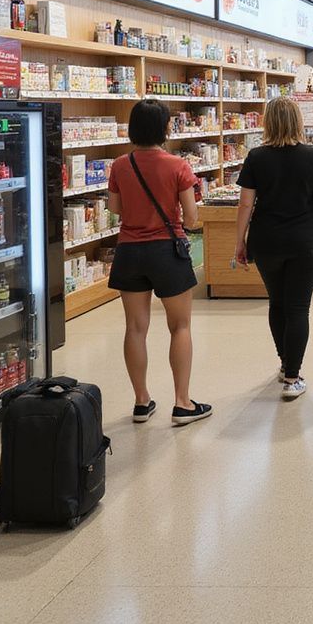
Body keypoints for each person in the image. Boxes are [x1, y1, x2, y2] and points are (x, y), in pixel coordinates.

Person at [106, 99, 212, 426]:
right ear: (166, 128)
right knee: (179, 326)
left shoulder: (120, 165)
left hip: (129, 251)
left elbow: (115, 208)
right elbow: (192, 218)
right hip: (167, 251)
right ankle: (182, 403)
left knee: (135, 328)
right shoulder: (178, 166)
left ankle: (141, 401)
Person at [233, 96, 313, 400]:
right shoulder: (312, 156)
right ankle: (293, 376)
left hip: (266, 241)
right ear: (297, 121)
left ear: (267, 122)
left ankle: (284, 363)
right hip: (304, 240)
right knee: (298, 308)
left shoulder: (256, 157)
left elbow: (245, 204)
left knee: (277, 303)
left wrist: (240, 241)